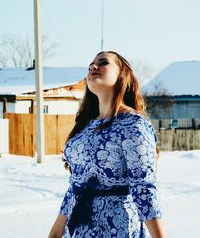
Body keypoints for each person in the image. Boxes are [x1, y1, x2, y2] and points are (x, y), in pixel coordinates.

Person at [48, 51, 166, 238]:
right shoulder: (85, 127)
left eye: (103, 63)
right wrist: (55, 233)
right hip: (82, 228)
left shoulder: (133, 124)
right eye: (90, 66)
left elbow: (144, 187)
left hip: (118, 228)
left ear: (122, 74)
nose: (93, 67)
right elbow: (76, 187)